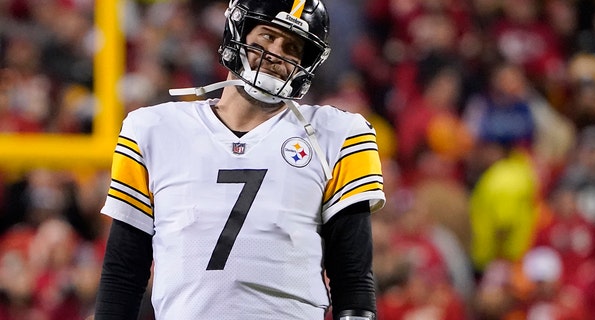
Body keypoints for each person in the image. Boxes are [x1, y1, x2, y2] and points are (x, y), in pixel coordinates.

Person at [91, 0, 385, 319]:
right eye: (268, 35)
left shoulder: (338, 134)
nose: (276, 52)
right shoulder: (152, 130)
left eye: (292, 46)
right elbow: (124, 273)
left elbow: (352, 280)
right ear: (239, 31)